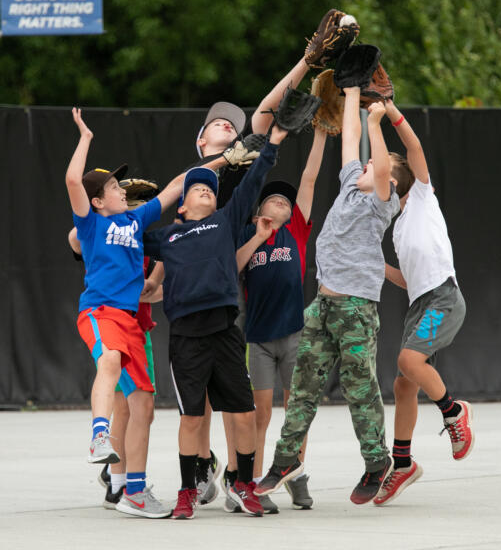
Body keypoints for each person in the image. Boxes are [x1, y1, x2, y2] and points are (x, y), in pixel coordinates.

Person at [255, 91, 401, 506]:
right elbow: (348, 140)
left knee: (360, 390)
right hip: (321, 305)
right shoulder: (347, 189)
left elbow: (381, 160)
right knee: (302, 389)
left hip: (355, 308)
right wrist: (352, 91)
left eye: (375, 167)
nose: (366, 166)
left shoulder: (379, 204)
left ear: (387, 181)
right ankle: (285, 460)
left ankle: (377, 463)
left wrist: (377, 123)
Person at [143, 124, 289, 520]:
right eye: (196, 188)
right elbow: (120, 235)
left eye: (209, 186)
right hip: (186, 336)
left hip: (225, 331)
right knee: (192, 417)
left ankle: (243, 485)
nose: (205, 189)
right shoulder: (167, 238)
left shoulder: (225, 221)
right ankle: (187, 491)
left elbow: (254, 178)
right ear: (182, 207)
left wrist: (273, 142)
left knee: (243, 413)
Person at [65, 108, 185, 518]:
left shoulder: (135, 220)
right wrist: (85, 138)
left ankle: (134, 491)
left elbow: (173, 188)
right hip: (99, 312)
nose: (121, 189)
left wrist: (222, 161)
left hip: (132, 321)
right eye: (114, 186)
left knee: (144, 406)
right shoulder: (90, 226)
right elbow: (71, 181)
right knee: (110, 361)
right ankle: (99, 436)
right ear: (98, 201)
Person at [373, 100, 472, 506]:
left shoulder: (422, 195)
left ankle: (453, 412)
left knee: (408, 363)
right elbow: (407, 279)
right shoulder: (395, 227)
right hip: (420, 301)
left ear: (393, 180)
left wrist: (389, 111)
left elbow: (412, 147)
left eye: (374, 173)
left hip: (444, 298)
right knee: (403, 383)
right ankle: (402, 464)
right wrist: (379, 268)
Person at [234, 127, 327, 513]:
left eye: (288, 204)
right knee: (262, 412)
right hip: (258, 338)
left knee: (297, 409)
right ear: (260, 210)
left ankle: (296, 473)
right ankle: (256, 481)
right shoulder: (247, 236)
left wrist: (321, 133)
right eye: (275, 200)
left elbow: (308, 179)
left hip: (293, 334)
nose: (284, 205)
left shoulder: (296, 233)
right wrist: (257, 236)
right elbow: (234, 266)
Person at [69, 186, 164, 510]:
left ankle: (124, 482)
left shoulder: (143, 238)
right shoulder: (100, 233)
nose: (129, 200)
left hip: (140, 328)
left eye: (135, 198)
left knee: (141, 407)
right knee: (122, 403)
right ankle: (119, 480)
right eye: (122, 192)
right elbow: (74, 237)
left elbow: (164, 265)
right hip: (111, 320)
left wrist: (157, 284)